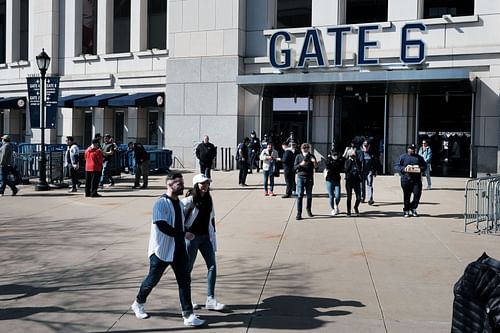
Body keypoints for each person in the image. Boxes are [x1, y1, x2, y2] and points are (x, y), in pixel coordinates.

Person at [131, 173, 205, 327]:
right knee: (152, 280)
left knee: (184, 281)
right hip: (161, 251)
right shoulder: (161, 203)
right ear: (170, 184)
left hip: (178, 250)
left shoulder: (179, 204)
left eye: (182, 183)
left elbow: (180, 223)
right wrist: (184, 234)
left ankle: (188, 314)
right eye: (179, 183)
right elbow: (162, 226)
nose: (182, 186)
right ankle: (138, 303)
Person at [182, 174, 226, 311]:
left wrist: (213, 234)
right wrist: (184, 233)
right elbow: (178, 220)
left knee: (212, 266)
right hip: (192, 239)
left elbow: (212, 218)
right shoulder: (188, 201)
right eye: (202, 183)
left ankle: (210, 299)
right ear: (196, 185)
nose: (205, 186)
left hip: (206, 237)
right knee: (187, 269)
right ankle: (186, 299)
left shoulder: (209, 200)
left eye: (207, 183)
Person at [396, 144, 427, 217]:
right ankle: (406, 210)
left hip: (416, 180)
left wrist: (420, 169)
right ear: (408, 149)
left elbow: (425, 166)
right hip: (406, 179)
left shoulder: (419, 158)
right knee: (407, 195)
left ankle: (413, 208)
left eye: (413, 149)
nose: (412, 150)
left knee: (417, 194)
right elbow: (397, 165)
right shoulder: (403, 157)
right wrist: (404, 169)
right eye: (410, 149)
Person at [294, 143, 317, 220]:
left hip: (309, 177)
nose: (305, 149)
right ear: (301, 149)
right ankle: (299, 213)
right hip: (300, 177)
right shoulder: (298, 156)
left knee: (309, 195)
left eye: (307, 148)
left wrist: (314, 162)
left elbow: (316, 167)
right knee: (300, 195)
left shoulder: (311, 156)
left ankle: (308, 209)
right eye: (304, 148)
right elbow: (294, 168)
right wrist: (301, 164)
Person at [344, 148, 362, 217]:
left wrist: (356, 161)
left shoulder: (357, 161)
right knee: (349, 197)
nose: (354, 155)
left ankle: (356, 207)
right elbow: (346, 169)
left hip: (356, 181)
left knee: (359, 197)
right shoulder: (347, 161)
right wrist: (351, 161)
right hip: (349, 181)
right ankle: (348, 211)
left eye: (355, 154)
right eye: (352, 154)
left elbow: (360, 169)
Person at [325, 149, 343, 215]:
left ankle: (336, 205)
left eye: (336, 155)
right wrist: (329, 158)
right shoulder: (329, 161)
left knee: (338, 196)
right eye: (334, 155)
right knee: (331, 196)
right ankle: (332, 208)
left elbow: (341, 166)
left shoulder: (339, 161)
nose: (335, 156)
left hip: (337, 180)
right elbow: (327, 165)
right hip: (329, 180)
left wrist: (339, 158)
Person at [360, 140, 378, 205]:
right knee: (362, 185)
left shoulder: (372, 153)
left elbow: (375, 162)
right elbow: (357, 162)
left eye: (367, 146)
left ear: (369, 146)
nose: (366, 147)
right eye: (364, 146)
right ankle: (362, 197)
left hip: (369, 171)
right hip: (362, 171)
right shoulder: (359, 153)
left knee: (369, 184)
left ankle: (370, 199)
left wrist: (375, 170)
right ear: (362, 146)